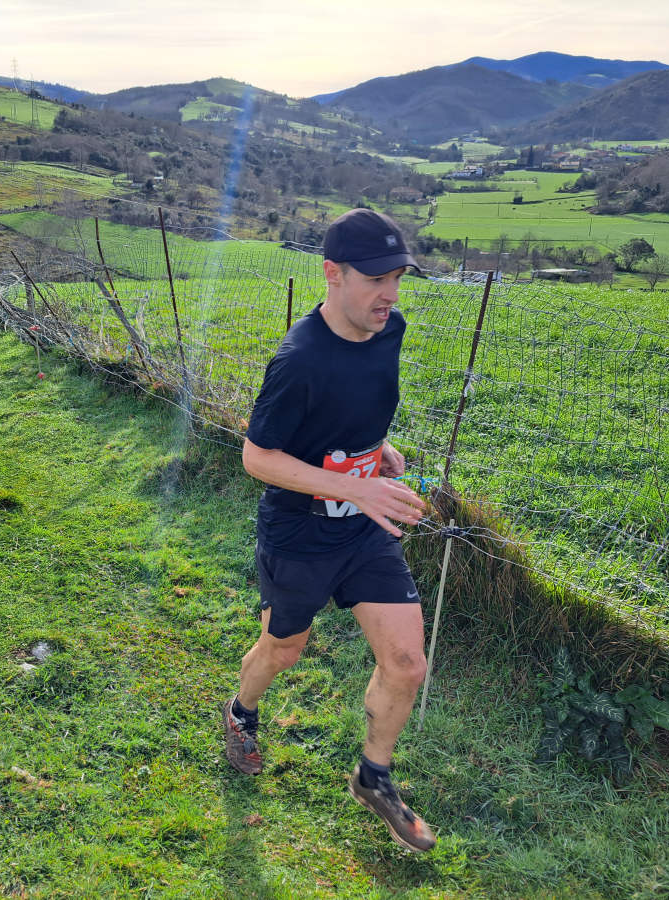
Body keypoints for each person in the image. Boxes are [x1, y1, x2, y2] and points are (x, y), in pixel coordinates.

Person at [222, 208, 435, 853]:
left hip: (363, 531)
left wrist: (378, 449)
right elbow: (257, 457)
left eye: (397, 278)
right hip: (300, 533)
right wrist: (356, 486)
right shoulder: (300, 360)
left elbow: (355, 409)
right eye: (375, 279)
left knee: (407, 664)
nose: (389, 294)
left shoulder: (389, 330)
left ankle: (374, 777)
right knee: (284, 649)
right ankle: (241, 712)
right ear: (332, 274)